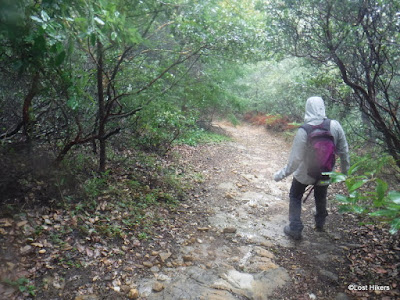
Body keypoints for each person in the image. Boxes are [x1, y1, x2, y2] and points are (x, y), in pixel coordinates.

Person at [274, 96, 350, 240]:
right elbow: (344, 151)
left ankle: (295, 228)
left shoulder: (304, 130)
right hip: (325, 173)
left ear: (307, 108)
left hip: (304, 174)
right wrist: (344, 174)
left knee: (295, 195)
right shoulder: (335, 125)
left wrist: (280, 175)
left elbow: (295, 160)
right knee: (320, 195)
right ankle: (320, 223)